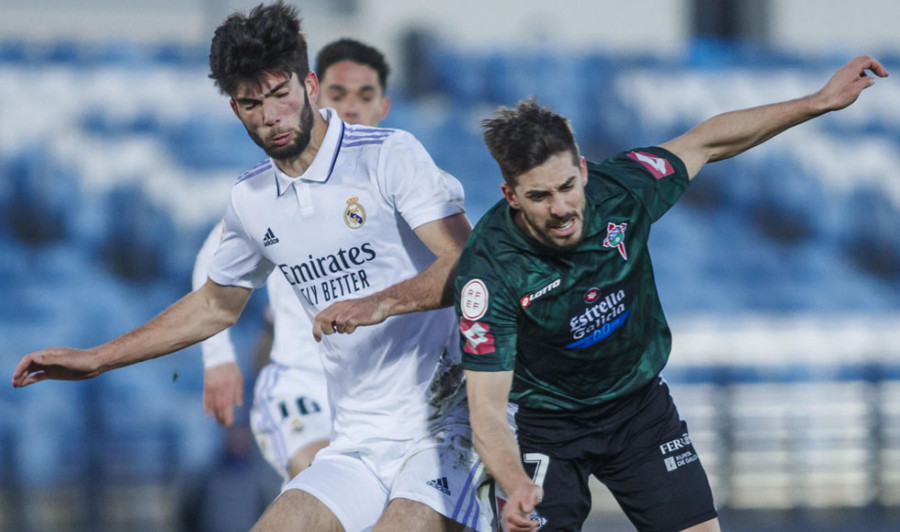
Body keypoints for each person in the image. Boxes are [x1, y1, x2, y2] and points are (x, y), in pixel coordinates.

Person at [13, 3, 488, 531]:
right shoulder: (251, 199)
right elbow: (215, 305)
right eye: (250, 104)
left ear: (308, 84)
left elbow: (468, 266)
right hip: (359, 442)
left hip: (452, 424)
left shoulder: (389, 156)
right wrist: (98, 359)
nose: (271, 117)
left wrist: (378, 302)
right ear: (236, 109)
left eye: (281, 94)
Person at [456, 56, 889, 532]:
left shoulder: (622, 188)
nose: (561, 208)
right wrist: (515, 483)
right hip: (546, 424)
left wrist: (818, 102)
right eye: (539, 196)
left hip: (639, 409)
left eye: (567, 186)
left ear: (583, 168)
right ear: (511, 195)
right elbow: (488, 408)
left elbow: (707, 141)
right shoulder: (490, 268)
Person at [194, 37, 394, 485]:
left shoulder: (402, 181)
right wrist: (217, 356)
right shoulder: (267, 193)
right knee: (330, 481)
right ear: (313, 93)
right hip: (304, 383)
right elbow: (211, 266)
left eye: (365, 96)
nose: (351, 107)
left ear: (384, 106)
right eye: (338, 94)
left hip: (384, 391)